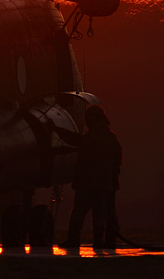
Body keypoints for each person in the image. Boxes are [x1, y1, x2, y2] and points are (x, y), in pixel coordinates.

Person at [50, 105, 123, 251]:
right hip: (105, 185)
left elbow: (74, 140)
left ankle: (74, 240)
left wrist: (55, 129)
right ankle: (104, 242)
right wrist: (112, 179)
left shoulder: (90, 137)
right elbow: (117, 161)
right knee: (104, 215)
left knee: (79, 215)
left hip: (87, 185)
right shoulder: (111, 137)